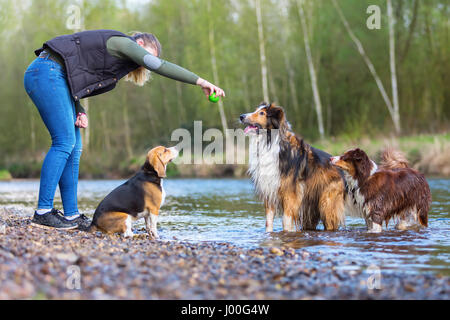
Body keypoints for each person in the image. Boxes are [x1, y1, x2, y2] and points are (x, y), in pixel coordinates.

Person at [24, 29, 225, 230]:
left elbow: (74, 77)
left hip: (55, 78)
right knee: (64, 142)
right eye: (146, 55)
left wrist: (79, 109)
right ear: (139, 43)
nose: (144, 62)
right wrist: (201, 81)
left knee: (75, 147)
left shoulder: (116, 64)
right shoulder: (122, 43)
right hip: (46, 72)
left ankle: (71, 215)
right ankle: (43, 212)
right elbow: (159, 66)